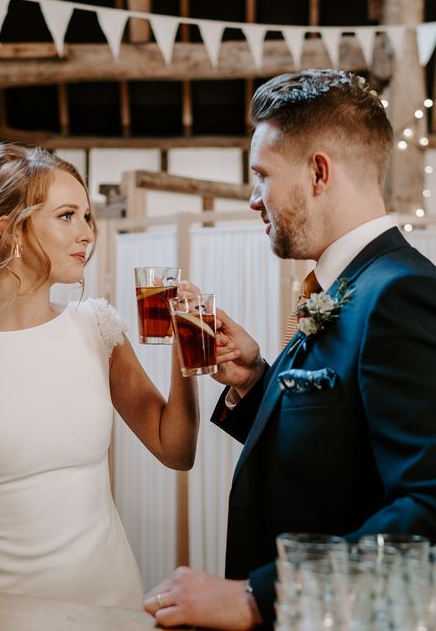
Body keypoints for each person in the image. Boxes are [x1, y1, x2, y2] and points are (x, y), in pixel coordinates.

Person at [144, 69, 436, 629]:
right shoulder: (348, 283)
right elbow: (342, 447)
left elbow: (428, 508)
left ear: (319, 172)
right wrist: (255, 379)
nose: (254, 199)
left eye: (261, 176)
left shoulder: (399, 293)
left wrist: (255, 597)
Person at [0, 143, 201, 609]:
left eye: (88, 217)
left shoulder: (98, 328)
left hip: (110, 606)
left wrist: (187, 353)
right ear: (10, 228)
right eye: (67, 216)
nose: (87, 234)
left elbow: (176, 450)